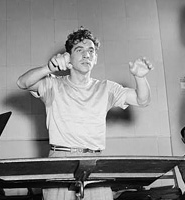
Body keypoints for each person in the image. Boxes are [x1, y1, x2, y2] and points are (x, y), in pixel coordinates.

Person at [17, 27, 154, 200]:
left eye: (91, 51)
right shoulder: (52, 85)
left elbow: (143, 100)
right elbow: (22, 82)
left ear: (95, 58)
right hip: (60, 161)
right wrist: (49, 67)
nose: (86, 55)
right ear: (68, 58)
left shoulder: (106, 88)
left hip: (94, 162)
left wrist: (140, 78)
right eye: (79, 50)